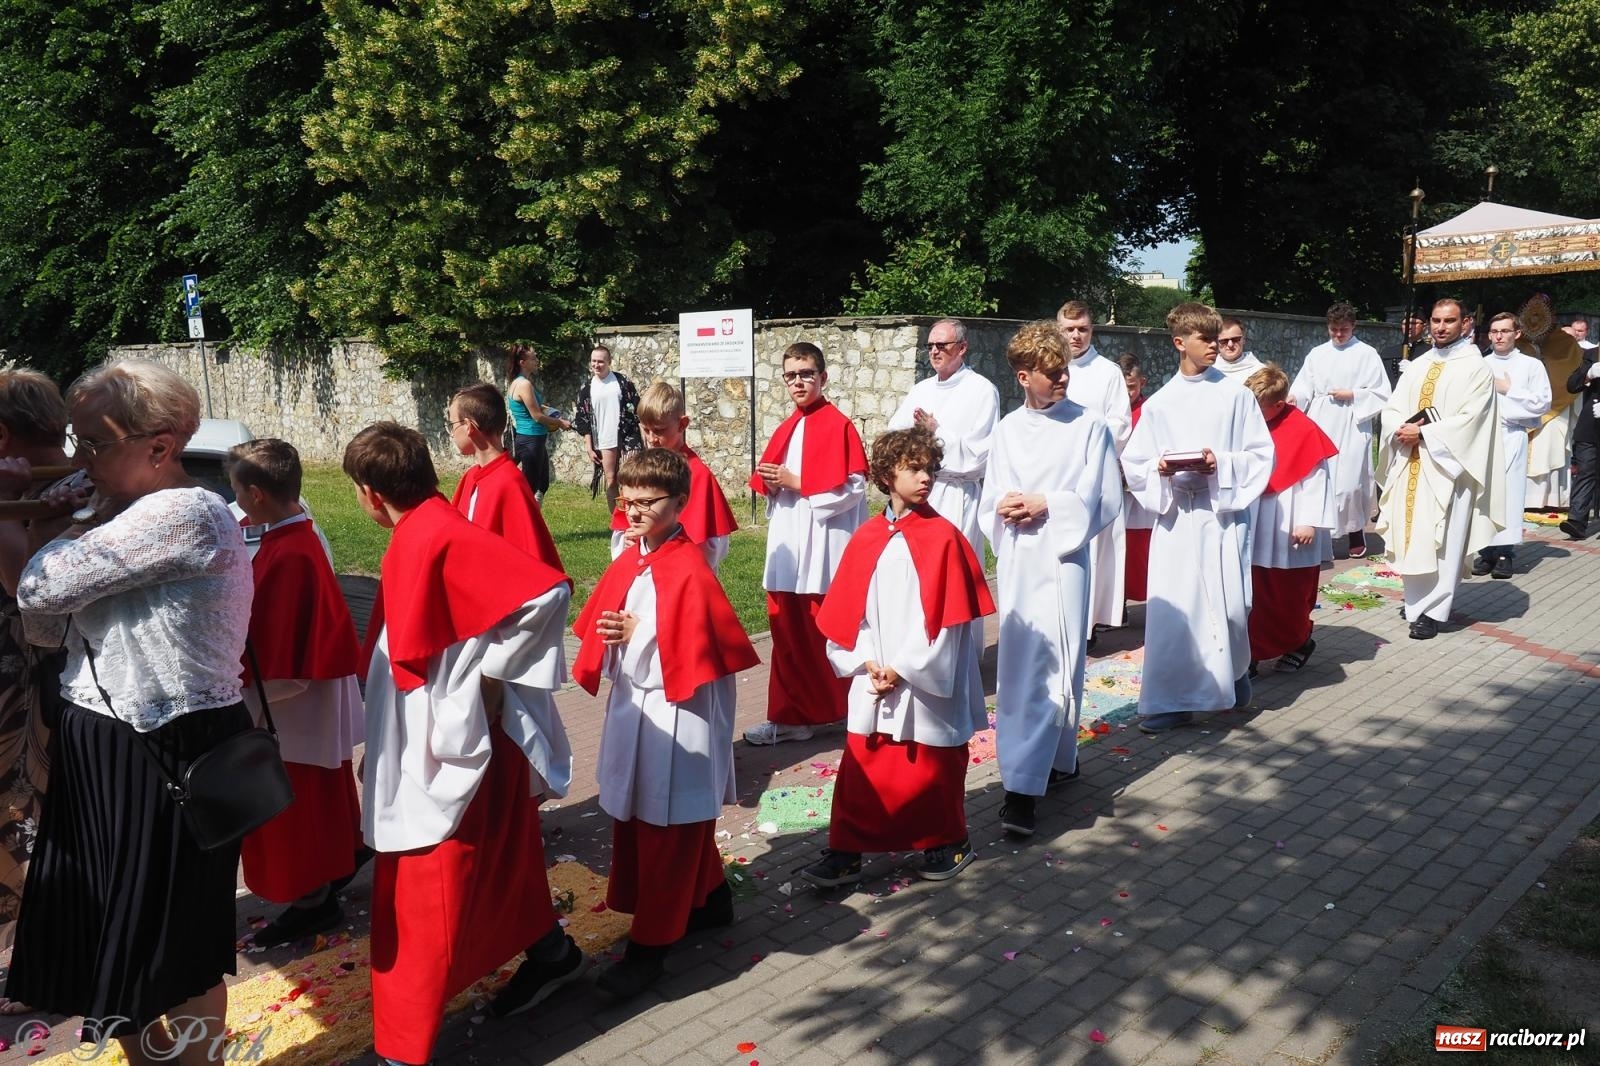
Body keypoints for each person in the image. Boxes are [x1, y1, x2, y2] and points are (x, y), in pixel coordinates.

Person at [4, 360, 254, 1065]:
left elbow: (41, 587)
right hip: (110, 743)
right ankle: (151, 1059)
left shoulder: (182, 514)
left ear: (160, 445)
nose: (81, 460)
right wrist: (57, 495)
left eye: (94, 444)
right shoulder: (124, 504)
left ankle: (192, 1062)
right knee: (117, 928)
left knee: (175, 943)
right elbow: (48, 626)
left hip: (166, 748)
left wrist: (50, 507)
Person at [343, 423, 583, 1062]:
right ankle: (553, 953)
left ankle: (403, 1049)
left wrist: (490, 677)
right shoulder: (423, 526)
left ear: (368, 493)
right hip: (446, 734)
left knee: (429, 890)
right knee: (502, 861)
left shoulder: (435, 531)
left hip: (453, 742)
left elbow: (547, 592)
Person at [572, 448, 759, 999]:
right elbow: (616, 624)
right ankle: (713, 900)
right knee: (652, 813)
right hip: (639, 703)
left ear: (680, 503)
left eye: (646, 502)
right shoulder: (636, 556)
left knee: (668, 822)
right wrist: (615, 636)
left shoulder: (688, 565)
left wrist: (638, 637)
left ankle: (648, 952)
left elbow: (691, 651)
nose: (631, 511)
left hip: (679, 712)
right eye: (625, 500)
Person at [802, 428, 996, 885]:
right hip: (874, 670)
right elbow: (851, 612)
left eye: (929, 467)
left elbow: (951, 624)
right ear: (887, 476)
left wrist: (905, 667)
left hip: (926, 674)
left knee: (930, 764)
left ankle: (945, 841)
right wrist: (868, 659)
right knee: (863, 762)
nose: (925, 476)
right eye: (913, 468)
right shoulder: (867, 536)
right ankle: (847, 849)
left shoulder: (944, 537)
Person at [979, 322, 1120, 836]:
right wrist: (1005, 506)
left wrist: (1048, 504)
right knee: (1021, 668)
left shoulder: (1089, 427)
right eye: (1052, 374)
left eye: (1065, 371)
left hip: (1063, 562)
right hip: (1020, 560)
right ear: (1023, 376)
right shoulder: (1007, 429)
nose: (1063, 380)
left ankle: (1023, 788)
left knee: (1059, 664)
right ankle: (1048, 763)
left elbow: (1103, 498)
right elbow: (990, 495)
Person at [228, 439, 365, 948]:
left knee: (293, 811)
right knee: (310, 805)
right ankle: (323, 882)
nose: (235, 498)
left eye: (237, 489)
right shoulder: (284, 535)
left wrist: (245, 704)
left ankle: (311, 901)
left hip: (288, 708)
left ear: (258, 493)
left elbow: (282, 654)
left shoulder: (291, 553)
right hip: (293, 706)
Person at [1123, 303, 1274, 733]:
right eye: (1205, 339)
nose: (1214, 346)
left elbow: (1261, 454)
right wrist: (1160, 469)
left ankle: (1234, 674)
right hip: (1175, 519)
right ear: (1179, 343)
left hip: (1220, 514)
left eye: (1217, 338)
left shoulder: (1236, 394)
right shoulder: (1160, 403)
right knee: (1176, 613)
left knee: (1230, 606)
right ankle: (1173, 700)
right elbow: (1135, 462)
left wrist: (1219, 464)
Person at [744, 342, 868, 746]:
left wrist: (796, 482)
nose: (798, 382)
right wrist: (771, 482)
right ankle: (791, 716)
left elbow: (855, 486)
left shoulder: (839, 425)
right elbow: (775, 487)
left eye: (806, 374)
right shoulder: (787, 426)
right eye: (790, 376)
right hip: (788, 548)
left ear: (823, 377)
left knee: (825, 634)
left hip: (824, 549)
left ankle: (842, 709)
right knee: (787, 635)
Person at [0, 372, 78, 988]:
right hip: (67, 688)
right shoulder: (94, 478)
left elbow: (26, 592)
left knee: (23, 822)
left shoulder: (39, 493)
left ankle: (43, 960)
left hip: (29, 695)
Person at [1375, 299, 1504, 640]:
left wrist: (1426, 433)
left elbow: (1472, 420)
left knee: (1443, 540)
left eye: (1449, 321)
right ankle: (1415, 602)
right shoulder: (1419, 364)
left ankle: (1434, 611)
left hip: (1448, 468)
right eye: (1435, 320)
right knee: (1412, 535)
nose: (1440, 327)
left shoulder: (1475, 368)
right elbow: (1393, 406)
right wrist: (1398, 428)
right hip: (1410, 461)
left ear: (1465, 324)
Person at [1241, 365, 1337, 673]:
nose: (1253, 413)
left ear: (1279, 405)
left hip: (1290, 525)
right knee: (1251, 592)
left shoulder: (1303, 429)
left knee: (1289, 594)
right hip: (1254, 519)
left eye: (1260, 408)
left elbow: (1316, 478)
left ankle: (1299, 641)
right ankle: (1249, 654)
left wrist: (1308, 520)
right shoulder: (1247, 423)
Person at [886, 318, 1000, 559]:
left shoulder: (982, 390)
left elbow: (980, 453)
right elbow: (894, 433)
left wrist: (936, 431)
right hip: (918, 491)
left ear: (962, 347)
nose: (935, 351)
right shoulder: (922, 389)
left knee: (953, 565)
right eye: (930, 346)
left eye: (942, 345)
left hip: (955, 493)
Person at [1290, 301, 1392, 559]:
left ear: (1353, 326)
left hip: (1353, 421)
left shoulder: (1367, 353)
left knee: (1351, 482)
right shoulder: (1317, 353)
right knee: (1322, 479)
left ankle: (1355, 530)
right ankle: (1323, 536)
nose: (1338, 335)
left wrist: (1354, 394)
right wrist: (1295, 397)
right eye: (1334, 329)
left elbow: (1382, 393)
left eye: (1343, 330)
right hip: (1322, 419)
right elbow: (1305, 385)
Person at [607, 381, 739, 572]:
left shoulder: (698, 475)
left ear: (682, 424)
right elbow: (623, 527)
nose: (652, 439)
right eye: (646, 430)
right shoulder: (639, 471)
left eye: (659, 430)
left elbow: (714, 543)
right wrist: (627, 543)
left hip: (684, 575)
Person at [1058, 300, 1132, 633]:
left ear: (1092, 330)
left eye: (1082, 329)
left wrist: (1087, 429)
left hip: (1095, 474)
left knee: (1095, 551)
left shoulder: (1108, 372)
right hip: (1058, 476)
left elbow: (1121, 424)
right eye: (1069, 329)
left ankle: (1087, 626)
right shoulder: (1049, 368)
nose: (1075, 336)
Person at [447, 381, 564, 570]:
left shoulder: (509, 483)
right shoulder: (471, 477)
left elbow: (533, 563)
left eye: (452, 424)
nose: (452, 433)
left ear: (468, 426)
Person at [1472, 313, 1550, 578]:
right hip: (1483, 437)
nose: (1499, 336)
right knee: (1483, 495)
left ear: (1517, 333)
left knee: (1508, 495)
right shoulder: (1480, 364)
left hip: (1512, 433)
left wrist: (1509, 389)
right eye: (1494, 331)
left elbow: (1543, 402)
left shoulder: (1531, 366)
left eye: (1505, 331)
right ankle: (1485, 551)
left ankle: (1505, 552)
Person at [572, 344, 643, 512]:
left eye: (601, 361)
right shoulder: (586, 388)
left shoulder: (622, 382)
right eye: (593, 361)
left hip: (628, 435)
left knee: (632, 478)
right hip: (604, 439)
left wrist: (644, 434)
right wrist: (589, 447)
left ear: (609, 362)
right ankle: (617, 521)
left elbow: (637, 407)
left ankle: (635, 514)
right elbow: (583, 420)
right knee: (611, 480)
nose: (597, 365)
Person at [505, 343, 573, 503]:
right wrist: (559, 422)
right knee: (530, 487)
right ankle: (523, 522)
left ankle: (532, 519)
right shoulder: (524, 384)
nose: (537, 361)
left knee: (542, 484)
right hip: (530, 440)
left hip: (532, 439)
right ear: (522, 362)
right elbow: (536, 416)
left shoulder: (518, 382)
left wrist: (547, 409)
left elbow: (532, 407)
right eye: (533, 358)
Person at [1119, 353, 1154, 604]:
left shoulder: (1151, 410)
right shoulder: (1110, 411)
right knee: (1116, 549)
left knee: (1142, 550)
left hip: (1141, 492)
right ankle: (1115, 605)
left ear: (1142, 382)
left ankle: (1149, 600)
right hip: (1116, 492)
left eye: (1131, 387)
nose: (1126, 393)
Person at [1380, 311, 1427, 386]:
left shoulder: (1430, 352)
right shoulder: (1388, 352)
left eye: (1414, 323)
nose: (1409, 327)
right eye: (1405, 324)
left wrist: (1414, 370)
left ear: (1424, 326)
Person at [1214, 316, 1265, 385]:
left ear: (1244, 340)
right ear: (1216, 342)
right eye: (1224, 341)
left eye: (1235, 339)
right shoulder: (1207, 370)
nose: (1230, 344)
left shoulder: (1261, 372)